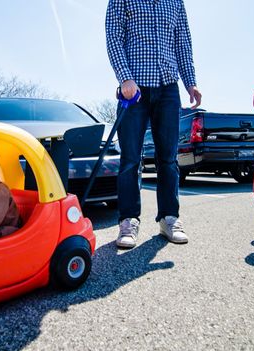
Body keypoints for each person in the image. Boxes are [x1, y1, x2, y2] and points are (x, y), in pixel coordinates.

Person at [106, 0, 202, 248]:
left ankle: (169, 218)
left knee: (168, 159)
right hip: (134, 89)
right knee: (130, 159)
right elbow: (114, 37)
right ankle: (128, 220)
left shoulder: (175, 3)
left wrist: (190, 82)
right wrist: (125, 77)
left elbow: (182, 43)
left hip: (168, 88)